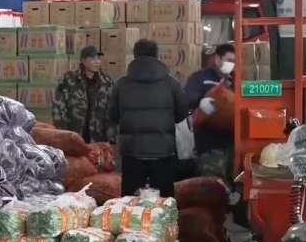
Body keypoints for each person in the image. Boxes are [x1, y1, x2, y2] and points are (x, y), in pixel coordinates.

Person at [108, 39, 189, 198]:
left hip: (132, 151)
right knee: (163, 200)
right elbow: (182, 112)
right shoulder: (171, 83)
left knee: (130, 200)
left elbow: (112, 114)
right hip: (162, 150)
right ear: (157, 55)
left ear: (135, 55)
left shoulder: (121, 84)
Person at [185, 43, 236, 180]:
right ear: (218, 59)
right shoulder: (201, 77)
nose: (232, 64)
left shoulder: (235, 79)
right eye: (229, 60)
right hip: (209, 144)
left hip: (231, 142)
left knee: (230, 183)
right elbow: (187, 96)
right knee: (211, 183)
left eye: (234, 61)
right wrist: (201, 100)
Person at [52, 45, 116, 143]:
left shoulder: (106, 82)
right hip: (74, 136)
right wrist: (63, 132)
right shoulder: (69, 79)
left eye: (98, 58)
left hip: (98, 138)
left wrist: (111, 138)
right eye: (92, 58)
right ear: (83, 60)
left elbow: (111, 112)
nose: (97, 62)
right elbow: (58, 106)